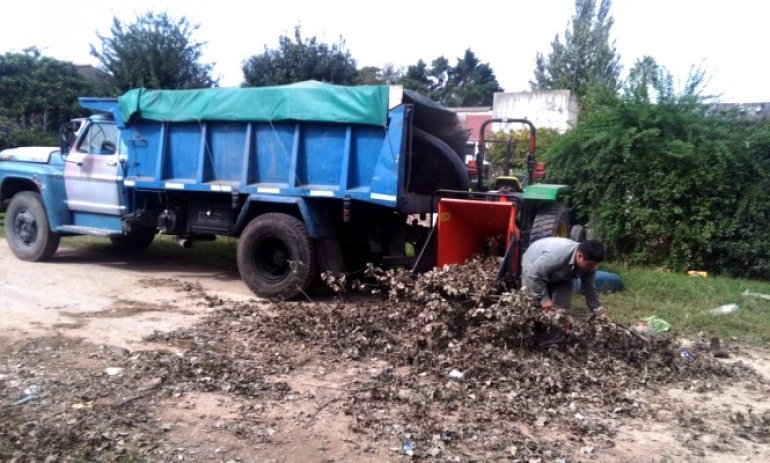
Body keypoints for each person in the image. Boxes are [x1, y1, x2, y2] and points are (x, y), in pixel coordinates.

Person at [521, 237, 607, 315]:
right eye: (590, 265)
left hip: (562, 274)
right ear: (579, 256)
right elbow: (534, 274)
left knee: (562, 309)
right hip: (533, 267)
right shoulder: (556, 256)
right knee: (533, 306)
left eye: (595, 265)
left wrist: (598, 311)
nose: (592, 268)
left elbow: (590, 289)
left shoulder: (590, 266)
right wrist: (544, 300)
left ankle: (555, 329)